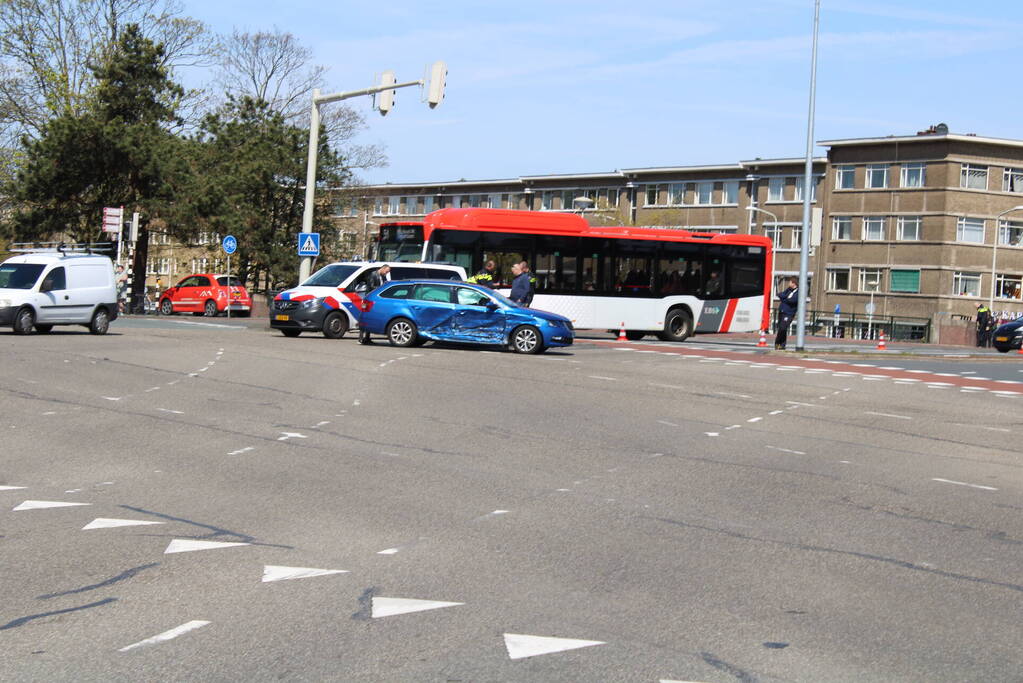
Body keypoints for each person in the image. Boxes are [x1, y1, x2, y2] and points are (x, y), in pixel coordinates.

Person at [359, 265, 391, 344]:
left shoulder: (382, 276)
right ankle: (361, 338)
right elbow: (371, 286)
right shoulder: (373, 274)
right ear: (383, 269)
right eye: (386, 271)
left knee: (371, 317)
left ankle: (367, 337)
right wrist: (382, 288)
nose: (386, 273)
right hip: (368, 299)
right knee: (365, 317)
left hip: (375, 299)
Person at [775, 276, 798, 350]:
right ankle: (780, 345)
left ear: (794, 283)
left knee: (783, 328)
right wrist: (784, 298)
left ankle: (779, 343)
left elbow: (792, 301)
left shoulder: (798, 292)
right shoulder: (788, 289)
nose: (789, 283)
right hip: (782, 311)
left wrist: (784, 299)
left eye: (790, 282)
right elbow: (781, 295)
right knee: (781, 329)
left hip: (789, 313)